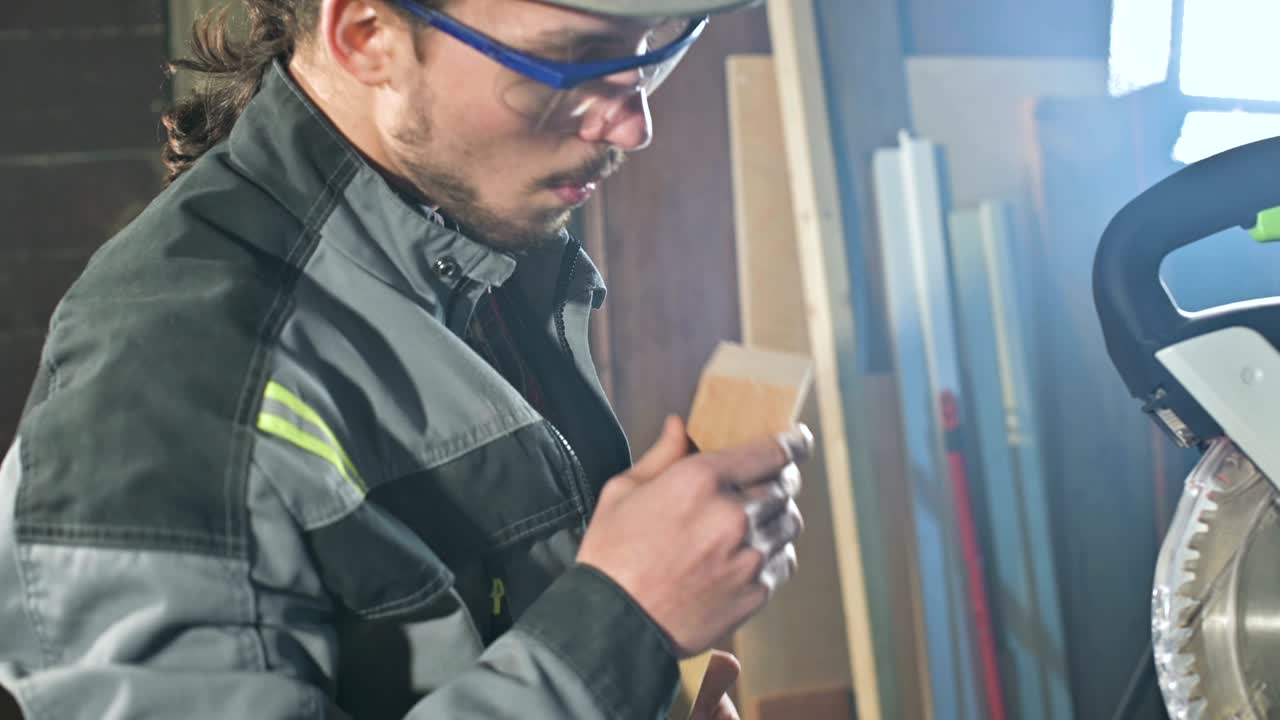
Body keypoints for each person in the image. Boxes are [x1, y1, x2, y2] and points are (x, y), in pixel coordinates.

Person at [0, 0, 810, 717]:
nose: (634, 124)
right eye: (571, 59)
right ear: (366, 37)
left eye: (658, 44)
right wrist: (622, 626)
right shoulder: (166, 384)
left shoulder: (478, 253)